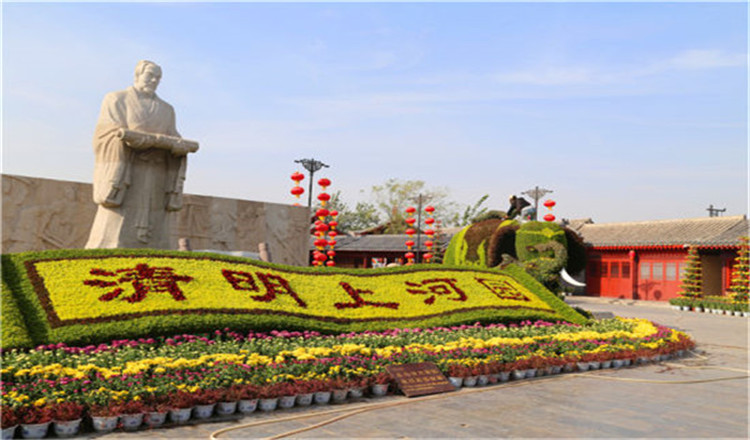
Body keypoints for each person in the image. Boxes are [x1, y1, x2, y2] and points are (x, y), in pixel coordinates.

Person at [85, 60, 196, 249]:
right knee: (113, 228)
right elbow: (106, 135)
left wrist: (179, 146)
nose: (154, 80)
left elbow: (174, 137)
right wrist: (128, 138)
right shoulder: (116, 99)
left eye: (158, 77)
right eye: (150, 75)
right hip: (126, 171)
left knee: (156, 229)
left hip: (157, 172)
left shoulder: (167, 109)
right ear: (138, 74)